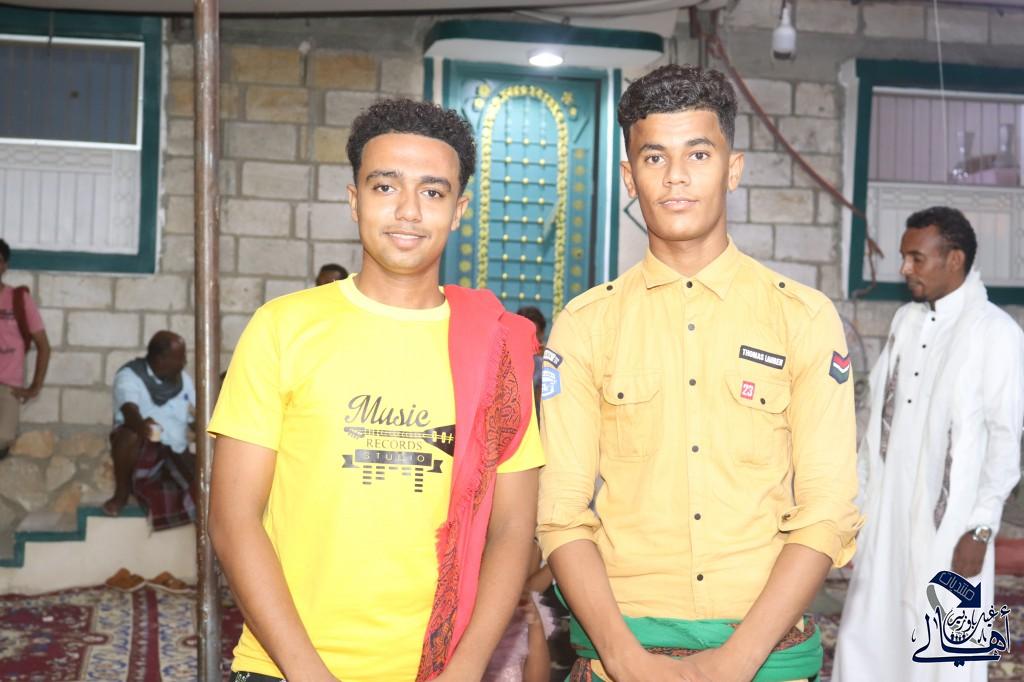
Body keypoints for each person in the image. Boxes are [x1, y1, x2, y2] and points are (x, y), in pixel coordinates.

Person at [536, 63, 862, 682]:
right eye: (654, 158)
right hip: (621, 647)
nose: (676, 177)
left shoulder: (802, 317)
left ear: (732, 169)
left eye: (699, 154)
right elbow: (561, 512)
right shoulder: (585, 325)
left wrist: (732, 663)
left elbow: (826, 508)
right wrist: (625, 660)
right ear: (629, 177)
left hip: (765, 652)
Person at [209, 98, 544, 682]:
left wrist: (465, 669)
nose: (408, 211)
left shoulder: (495, 348)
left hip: (437, 669)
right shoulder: (283, 327)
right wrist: (308, 674)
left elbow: (514, 527)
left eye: (433, 192)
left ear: (459, 210)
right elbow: (233, 517)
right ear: (354, 200)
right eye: (385, 187)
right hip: (285, 667)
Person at [833, 207, 1024, 682]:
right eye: (905, 257)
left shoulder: (996, 334)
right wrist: (856, 508)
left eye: (916, 258)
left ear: (954, 259)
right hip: (887, 516)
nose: (904, 268)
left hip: (951, 527)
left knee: (946, 653)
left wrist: (980, 529)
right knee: (870, 636)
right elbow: (874, 424)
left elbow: (1006, 443)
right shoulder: (906, 321)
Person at [103, 330, 196, 530]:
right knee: (128, 435)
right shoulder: (129, 376)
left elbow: (195, 416)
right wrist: (143, 426)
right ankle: (121, 495)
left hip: (177, 454)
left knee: (207, 484)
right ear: (161, 359)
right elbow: (129, 412)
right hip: (147, 453)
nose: (184, 363)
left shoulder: (184, 381)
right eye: (180, 358)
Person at [0, 239, 50, 458]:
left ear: (5, 265)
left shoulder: (18, 299)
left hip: (7, 387)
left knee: (3, 437)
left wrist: (34, 387)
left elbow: (44, 346)